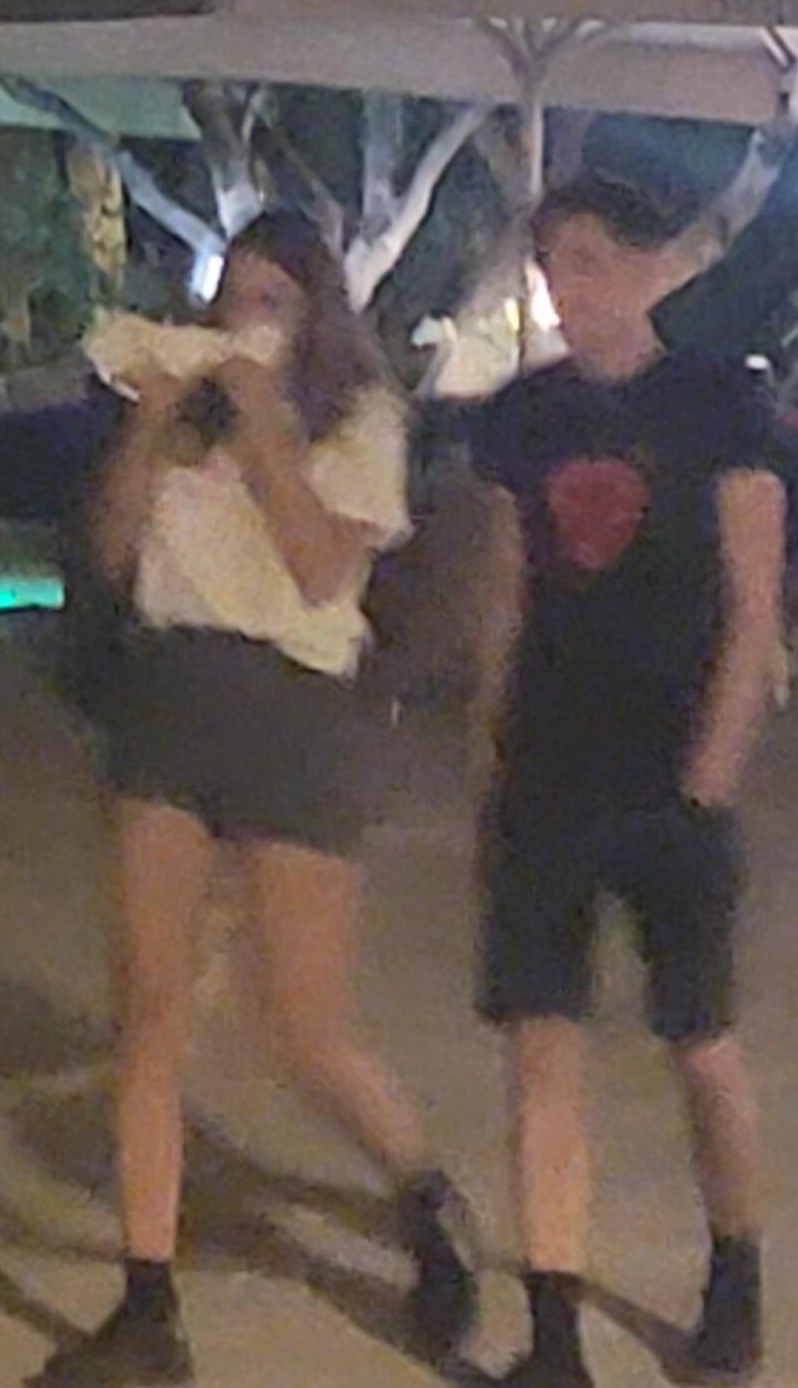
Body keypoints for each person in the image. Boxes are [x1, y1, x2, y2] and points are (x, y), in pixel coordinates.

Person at [35, 208, 478, 1386]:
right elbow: (115, 552)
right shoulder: (184, 411)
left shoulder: (360, 418)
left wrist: (267, 420)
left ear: (318, 308)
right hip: (175, 694)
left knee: (305, 1025)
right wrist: (151, 425)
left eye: (272, 297)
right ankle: (147, 1308)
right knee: (150, 1011)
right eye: (232, 294)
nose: (244, 317)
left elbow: (323, 565)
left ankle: (428, 1198)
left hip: (296, 717)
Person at [470, 174, 789, 1387]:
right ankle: (553, 1331)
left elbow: (753, 602)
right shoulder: (522, 417)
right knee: (542, 1044)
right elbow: (508, 596)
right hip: (552, 765)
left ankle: (736, 1267)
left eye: (594, 257)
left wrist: (711, 775)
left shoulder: (721, 405)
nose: (569, 284)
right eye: (554, 260)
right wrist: (487, 753)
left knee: (700, 1039)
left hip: (670, 773)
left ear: (654, 268)